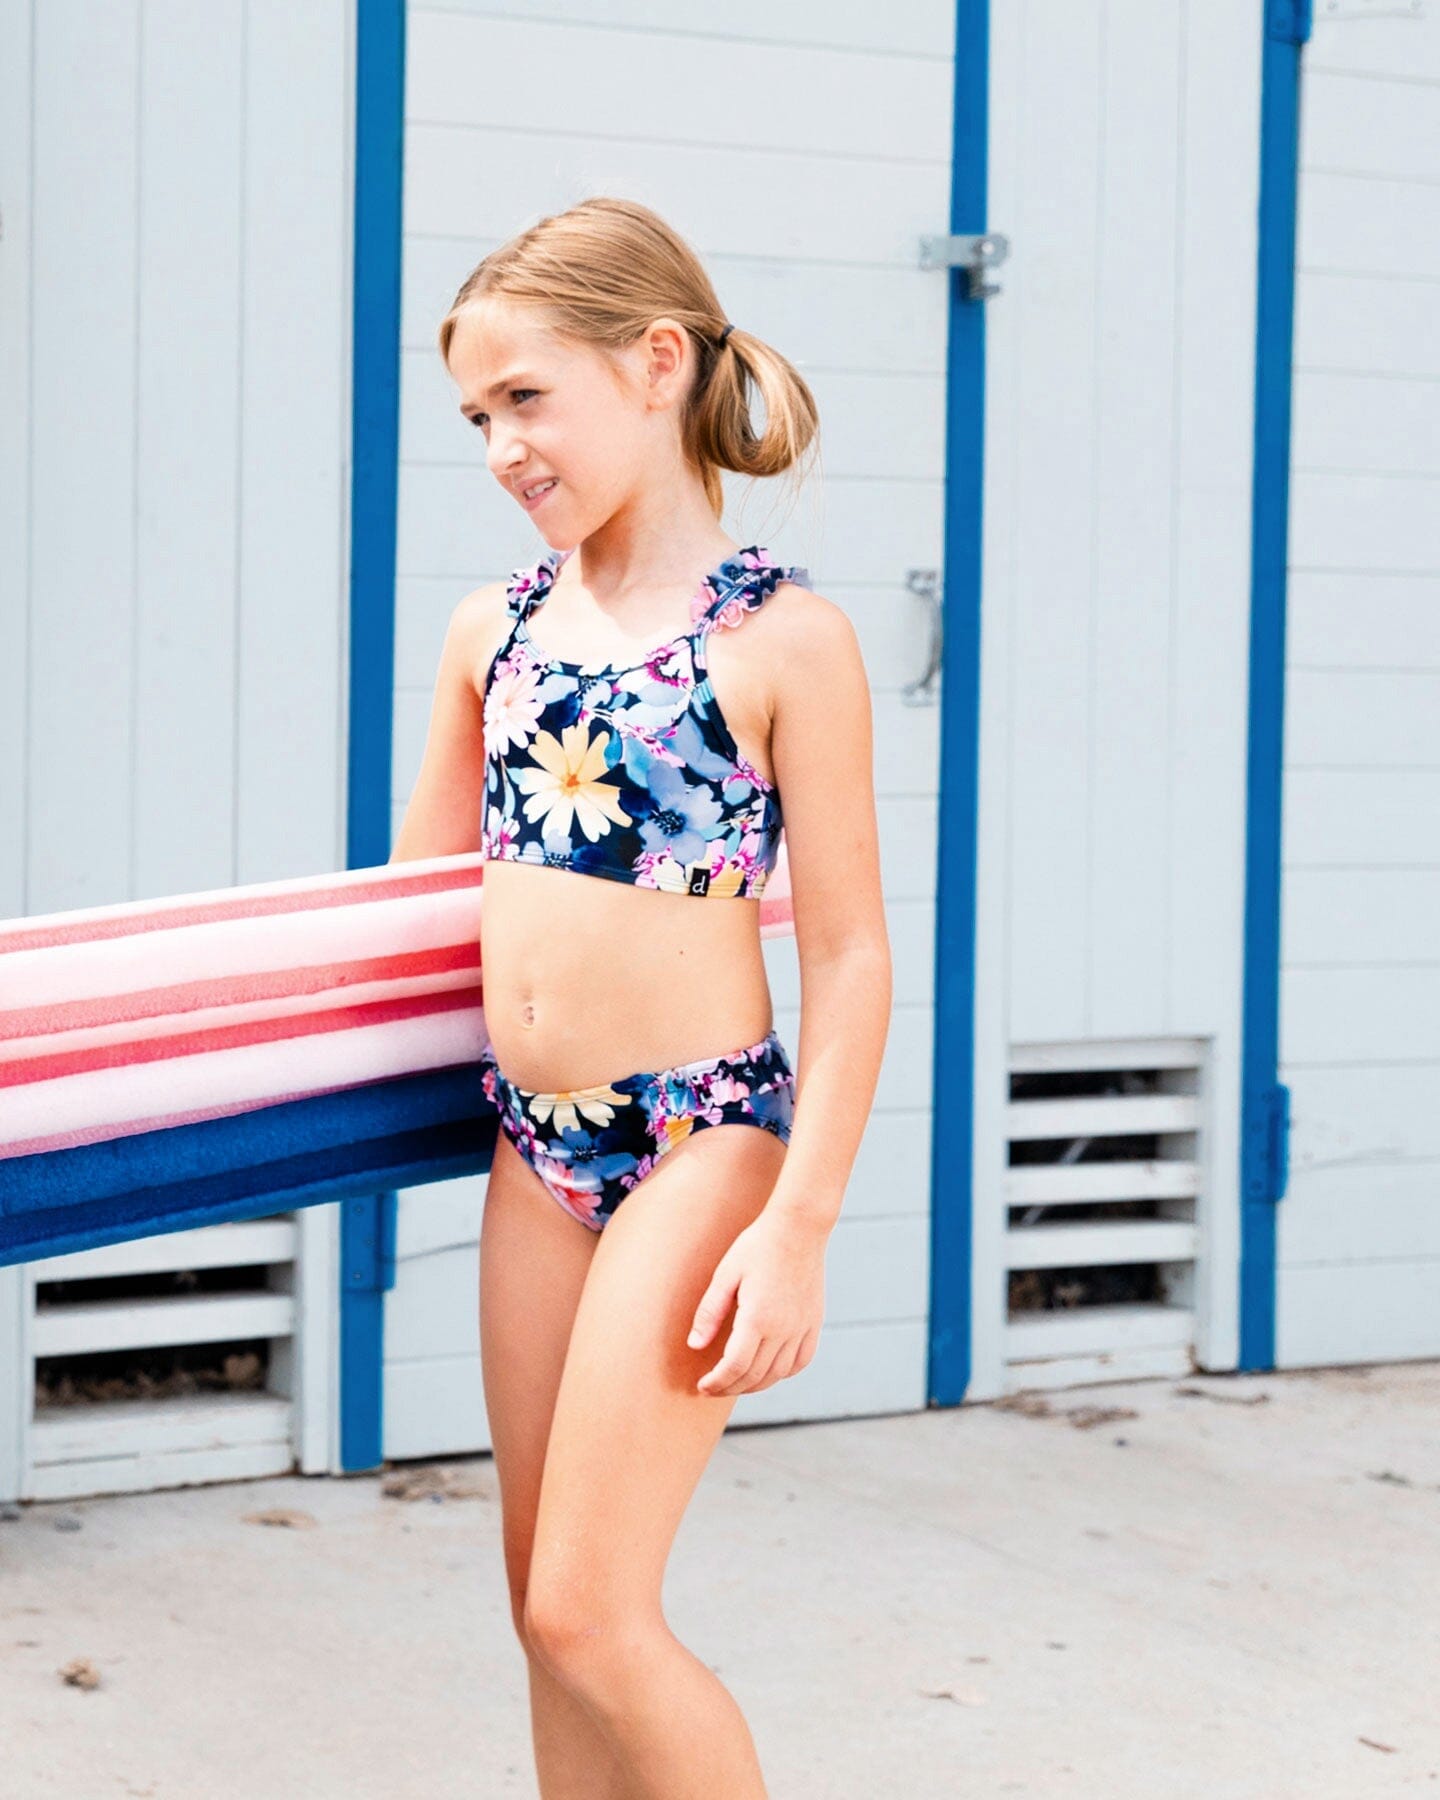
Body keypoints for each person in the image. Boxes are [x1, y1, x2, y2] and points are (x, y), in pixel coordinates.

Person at [391, 194, 891, 1800]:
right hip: (536, 1151)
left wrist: (799, 1225)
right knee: (542, 1621)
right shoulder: (496, 631)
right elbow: (417, 907)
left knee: (593, 1613)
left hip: (696, 1146)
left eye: (527, 399)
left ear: (657, 362)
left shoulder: (781, 642)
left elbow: (854, 954)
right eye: (477, 417)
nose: (499, 450)